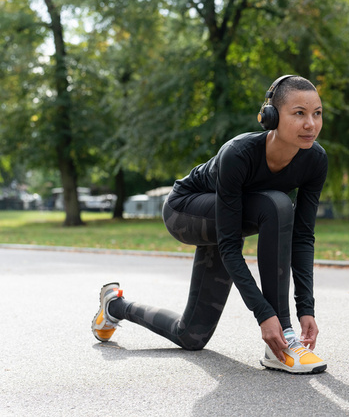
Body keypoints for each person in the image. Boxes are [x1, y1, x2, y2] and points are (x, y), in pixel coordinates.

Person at [91, 75, 328, 374]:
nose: (311, 124)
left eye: (317, 113)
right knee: (277, 204)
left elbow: (303, 237)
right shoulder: (239, 154)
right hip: (185, 211)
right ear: (271, 117)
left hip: (230, 218)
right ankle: (282, 340)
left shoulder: (315, 160)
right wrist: (265, 315)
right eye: (299, 113)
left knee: (191, 335)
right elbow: (230, 244)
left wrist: (306, 308)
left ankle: (114, 306)